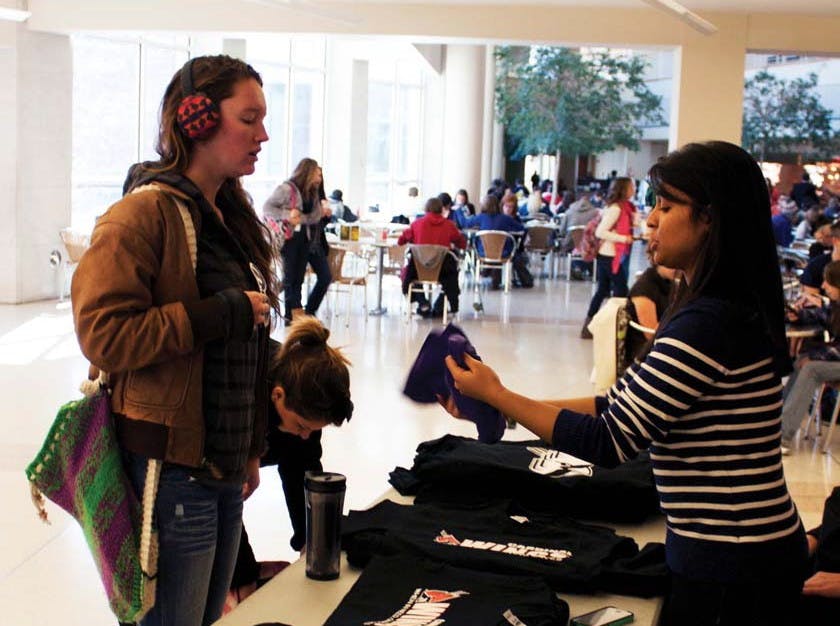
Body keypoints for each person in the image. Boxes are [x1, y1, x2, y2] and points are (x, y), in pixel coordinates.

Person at [439, 141, 808, 626]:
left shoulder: (710, 323)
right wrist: (503, 405)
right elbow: (615, 403)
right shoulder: (714, 309)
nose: (651, 220)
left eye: (666, 205)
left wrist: (498, 395)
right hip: (734, 554)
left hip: (734, 563)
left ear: (710, 219)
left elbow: (611, 439)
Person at [72, 55, 278, 626]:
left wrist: (252, 445)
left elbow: (244, 346)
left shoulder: (229, 217)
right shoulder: (142, 215)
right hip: (170, 474)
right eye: (250, 117)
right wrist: (216, 314)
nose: (264, 134)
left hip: (221, 468)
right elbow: (102, 334)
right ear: (197, 120)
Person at [227, 317, 353, 611]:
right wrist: (241, 572)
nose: (306, 434)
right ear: (277, 396)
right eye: (301, 425)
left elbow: (304, 473)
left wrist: (313, 544)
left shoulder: (307, 393)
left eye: (313, 428)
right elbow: (221, 497)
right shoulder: (237, 392)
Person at [263, 158, 332, 324]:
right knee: (290, 276)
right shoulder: (287, 189)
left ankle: (297, 313)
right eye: (317, 173)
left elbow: (314, 217)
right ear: (308, 172)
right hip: (288, 238)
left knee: (299, 277)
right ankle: (290, 313)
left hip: (304, 238)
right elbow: (267, 208)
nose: (319, 177)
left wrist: (300, 218)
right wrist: (288, 215)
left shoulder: (313, 191)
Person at [780, 260, 840, 450]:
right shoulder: (836, 306)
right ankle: (777, 421)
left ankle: (783, 434)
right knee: (802, 361)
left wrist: (814, 355)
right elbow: (821, 316)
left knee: (811, 367)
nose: (822, 286)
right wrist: (799, 315)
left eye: (827, 282)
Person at [580, 176, 636, 339]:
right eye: (631, 187)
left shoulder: (624, 208)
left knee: (603, 290)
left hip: (609, 255)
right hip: (609, 255)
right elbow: (600, 232)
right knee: (620, 291)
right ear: (623, 189)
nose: (634, 189)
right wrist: (623, 238)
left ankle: (590, 326)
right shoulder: (616, 209)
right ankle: (615, 329)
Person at [397, 197, 467, 317]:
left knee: (409, 272)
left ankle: (422, 302)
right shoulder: (449, 225)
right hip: (442, 271)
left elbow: (400, 241)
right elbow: (462, 244)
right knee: (452, 276)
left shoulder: (416, 224)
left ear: (426, 209)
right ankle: (440, 305)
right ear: (441, 210)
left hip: (420, 269)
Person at [466, 195, 528, 290]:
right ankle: (496, 279)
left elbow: (466, 224)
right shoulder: (505, 218)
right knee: (501, 247)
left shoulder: (480, 217)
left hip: (483, 252)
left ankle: (486, 274)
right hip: (502, 253)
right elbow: (521, 228)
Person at [624, 254, 676, 364]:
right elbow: (651, 333)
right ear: (658, 260)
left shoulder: (668, 283)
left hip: (657, 343)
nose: (676, 269)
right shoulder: (644, 288)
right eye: (672, 264)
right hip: (642, 349)